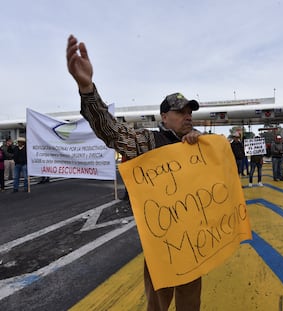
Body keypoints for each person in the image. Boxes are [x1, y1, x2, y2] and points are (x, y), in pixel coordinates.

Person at [66, 34, 203, 311]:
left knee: (191, 304)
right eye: (180, 111)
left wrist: (200, 145)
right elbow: (111, 131)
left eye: (190, 111)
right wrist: (88, 89)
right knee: (158, 304)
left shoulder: (200, 145)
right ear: (164, 117)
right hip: (161, 244)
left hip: (195, 243)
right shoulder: (148, 142)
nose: (187, 116)